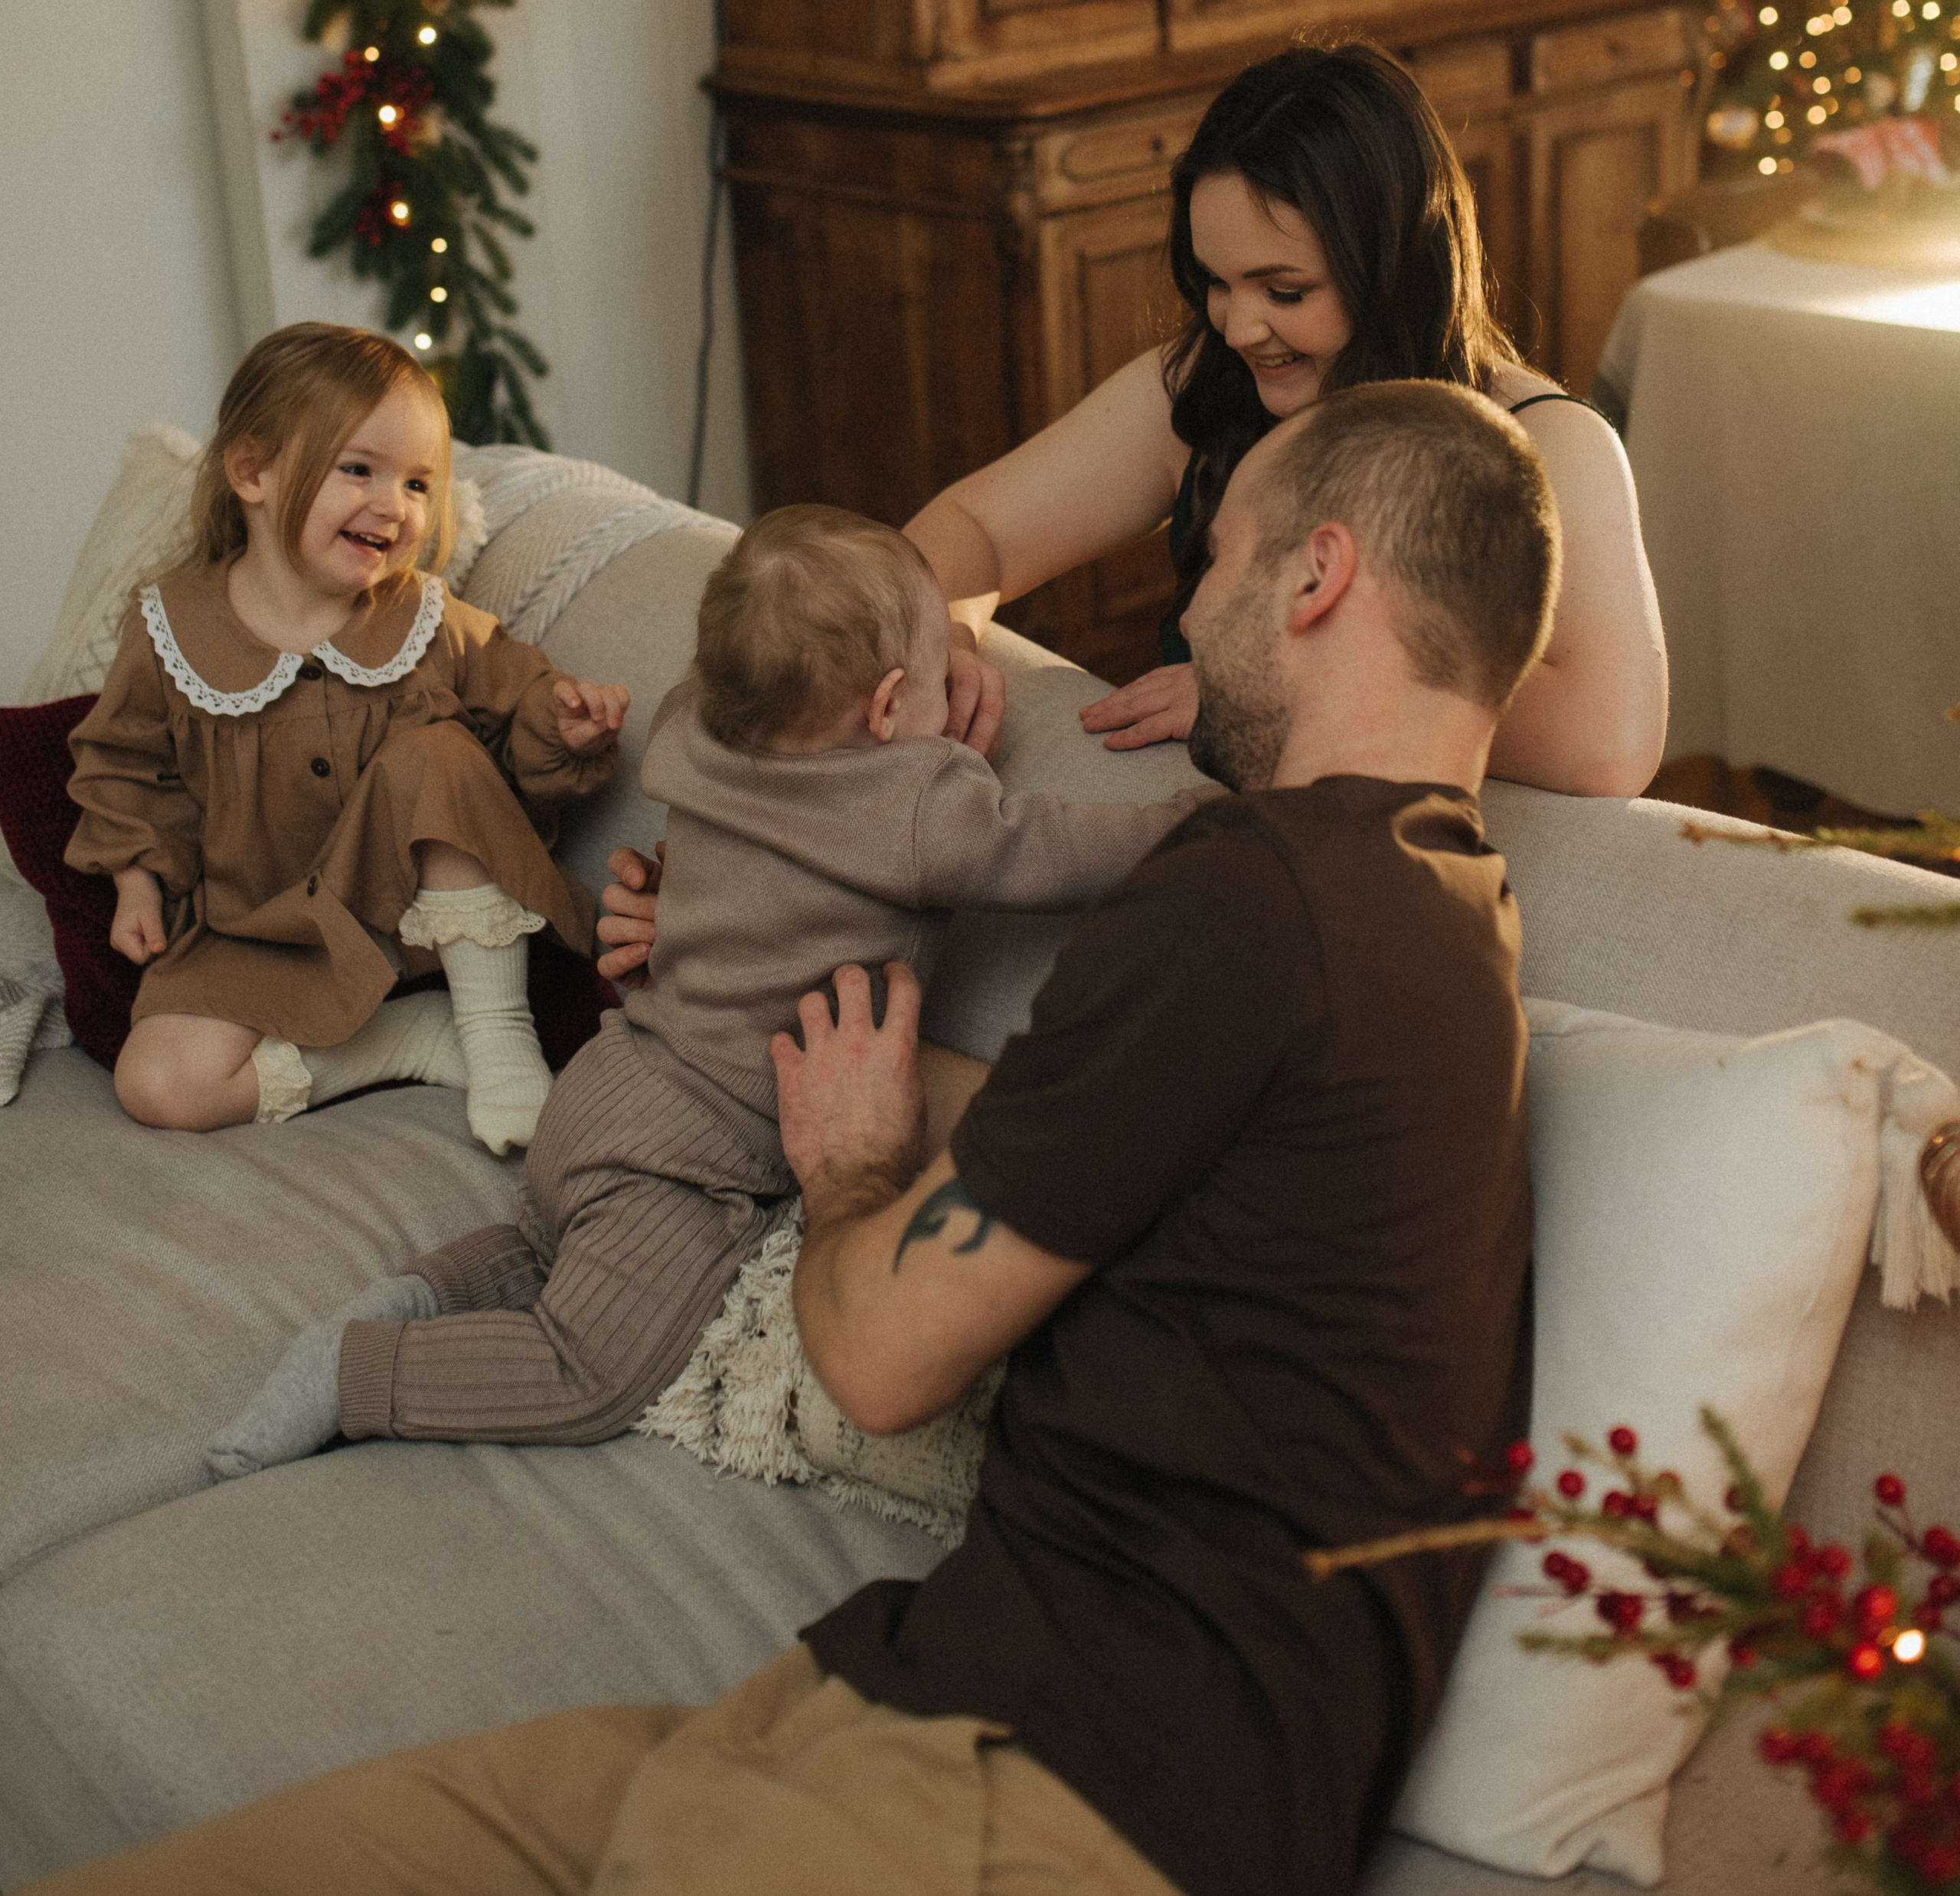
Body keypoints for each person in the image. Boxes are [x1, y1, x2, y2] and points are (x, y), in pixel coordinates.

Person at [41, 377, 1553, 1896]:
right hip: (877, 1709)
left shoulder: (1255, 894)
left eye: (1218, 558)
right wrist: (781, 1020)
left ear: (1317, 575)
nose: (1192, 612)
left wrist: (845, 1169)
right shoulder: (1403, 908)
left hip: (1050, 1793)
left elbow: (878, 1357)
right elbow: (1071, 1122)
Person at [202, 503, 1199, 1477]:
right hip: (696, 1147)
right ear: (889, 707)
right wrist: (1198, 816)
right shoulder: (916, 807)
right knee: (590, 1373)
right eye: (943, 680)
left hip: (612, 1074)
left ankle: (415, 1299)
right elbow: (1063, 848)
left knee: (544, 1241)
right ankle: (360, 1373)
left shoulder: (700, 729)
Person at [903, 35, 1665, 797]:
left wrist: (1264, 689)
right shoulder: (1200, 386)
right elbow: (974, 527)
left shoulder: (1550, 440)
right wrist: (944, 639)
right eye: (1216, 282)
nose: (1237, 328)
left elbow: (1610, 743)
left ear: (1392, 268)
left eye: (1284, 291)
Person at [66, 323, 627, 1154]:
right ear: (252, 472)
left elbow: (516, 726)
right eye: (359, 469)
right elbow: (124, 766)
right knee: (155, 1081)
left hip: (420, 928)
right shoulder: (170, 628)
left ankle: (496, 1027)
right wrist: (138, 882)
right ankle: (408, 1042)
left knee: (440, 755)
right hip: (265, 934)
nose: (394, 505)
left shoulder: (427, 618)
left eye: (417, 482)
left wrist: (563, 721)